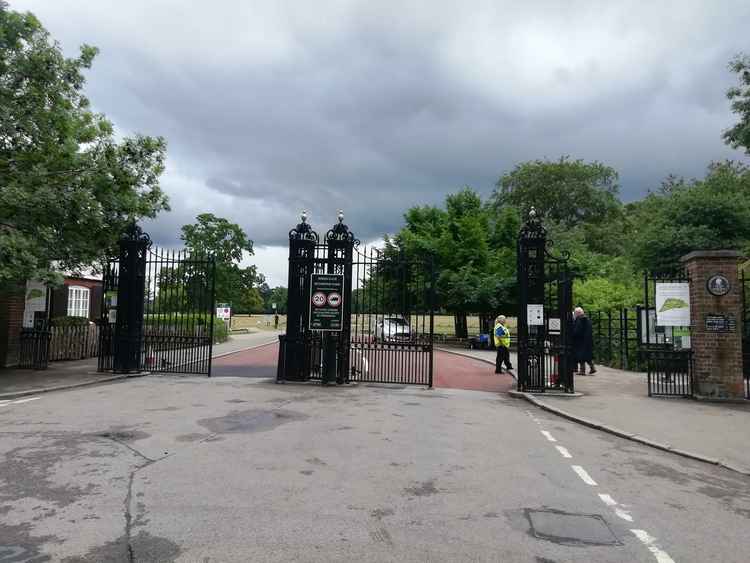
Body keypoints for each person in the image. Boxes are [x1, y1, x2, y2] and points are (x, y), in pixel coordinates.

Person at [572, 307, 596, 375]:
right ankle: (592, 367)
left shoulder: (579, 320)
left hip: (580, 340)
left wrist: (572, 334)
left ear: (578, 313)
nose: (575, 314)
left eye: (575, 313)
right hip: (588, 340)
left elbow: (577, 331)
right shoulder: (587, 319)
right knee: (587, 355)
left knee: (580, 355)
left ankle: (582, 370)